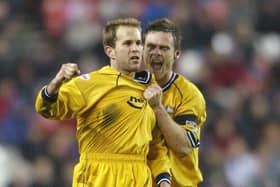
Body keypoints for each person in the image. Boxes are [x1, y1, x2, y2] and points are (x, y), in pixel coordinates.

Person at [35, 18, 170, 187]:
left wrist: (163, 178)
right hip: (99, 176)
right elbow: (47, 109)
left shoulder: (151, 90)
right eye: (127, 43)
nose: (135, 48)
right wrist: (55, 83)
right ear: (110, 51)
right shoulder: (89, 84)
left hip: (139, 177)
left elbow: (156, 146)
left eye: (138, 43)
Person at [143, 18, 207, 187]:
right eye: (151, 46)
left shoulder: (189, 94)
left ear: (176, 54)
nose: (156, 53)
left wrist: (158, 108)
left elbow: (184, 146)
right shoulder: (130, 89)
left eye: (163, 48)